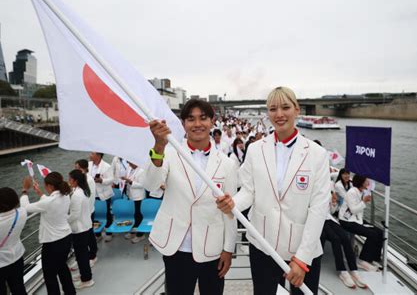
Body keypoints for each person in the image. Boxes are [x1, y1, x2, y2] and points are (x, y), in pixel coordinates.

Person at [217, 86, 331, 295]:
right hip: (263, 245)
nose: (279, 114)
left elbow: (318, 208)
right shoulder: (255, 149)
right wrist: (233, 204)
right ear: (267, 113)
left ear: (297, 110)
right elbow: (249, 192)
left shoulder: (317, 155)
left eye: (285, 107)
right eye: (273, 109)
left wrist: (302, 259)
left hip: (302, 250)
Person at [143, 99, 238, 295]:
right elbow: (151, 185)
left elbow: (231, 212)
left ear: (212, 121)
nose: (197, 124)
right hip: (176, 247)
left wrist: (228, 249)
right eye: (191, 119)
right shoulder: (168, 154)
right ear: (183, 124)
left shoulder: (227, 164)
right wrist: (158, 147)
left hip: (211, 248)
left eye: (203, 118)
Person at [20, 172, 76, 295]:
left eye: (45, 185)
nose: (45, 187)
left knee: (50, 275)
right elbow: (49, 202)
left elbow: (25, 207)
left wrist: (25, 190)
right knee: (62, 267)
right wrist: (40, 193)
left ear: (50, 186)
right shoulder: (65, 195)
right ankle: (70, 292)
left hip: (53, 243)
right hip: (66, 238)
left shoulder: (49, 202)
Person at [321, 192, 367, 289]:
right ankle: (342, 271)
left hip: (329, 218)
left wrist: (333, 203)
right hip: (318, 220)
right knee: (335, 238)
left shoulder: (329, 188)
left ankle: (354, 270)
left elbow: (332, 211)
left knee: (345, 237)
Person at [339, 174, 384, 272]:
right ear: (361, 182)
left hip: (356, 220)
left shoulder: (362, 192)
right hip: (346, 221)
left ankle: (374, 258)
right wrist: (364, 202)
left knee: (380, 232)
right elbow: (354, 210)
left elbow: (358, 212)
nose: (368, 183)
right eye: (366, 181)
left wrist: (365, 200)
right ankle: (363, 260)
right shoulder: (352, 192)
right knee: (372, 234)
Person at [68, 169, 94, 289]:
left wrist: (64, 221)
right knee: (83, 254)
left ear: (75, 181)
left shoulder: (77, 195)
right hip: (86, 225)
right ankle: (84, 274)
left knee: (81, 255)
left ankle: (87, 279)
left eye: (70, 179)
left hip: (80, 229)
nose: (68, 181)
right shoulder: (84, 191)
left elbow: (74, 215)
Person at [74, 159, 98, 266]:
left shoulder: (88, 180)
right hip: (86, 211)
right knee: (88, 233)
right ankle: (88, 255)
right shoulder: (84, 179)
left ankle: (92, 255)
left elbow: (89, 196)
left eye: (76, 167)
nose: (75, 169)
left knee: (89, 234)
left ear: (82, 168)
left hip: (87, 211)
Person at [88, 152, 114, 242]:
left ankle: (109, 232)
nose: (90, 155)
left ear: (98, 156)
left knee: (107, 214)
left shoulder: (107, 166)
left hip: (104, 194)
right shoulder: (88, 165)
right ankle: (97, 234)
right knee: (94, 214)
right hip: (92, 194)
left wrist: (101, 180)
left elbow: (111, 180)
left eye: (92, 154)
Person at [121, 162, 146, 243]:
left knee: (138, 215)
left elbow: (142, 185)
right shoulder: (129, 168)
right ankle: (133, 232)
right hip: (130, 195)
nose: (129, 164)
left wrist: (131, 182)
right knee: (133, 215)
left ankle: (140, 235)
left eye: (130, 163)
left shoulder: (142, 171)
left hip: (138, 197)